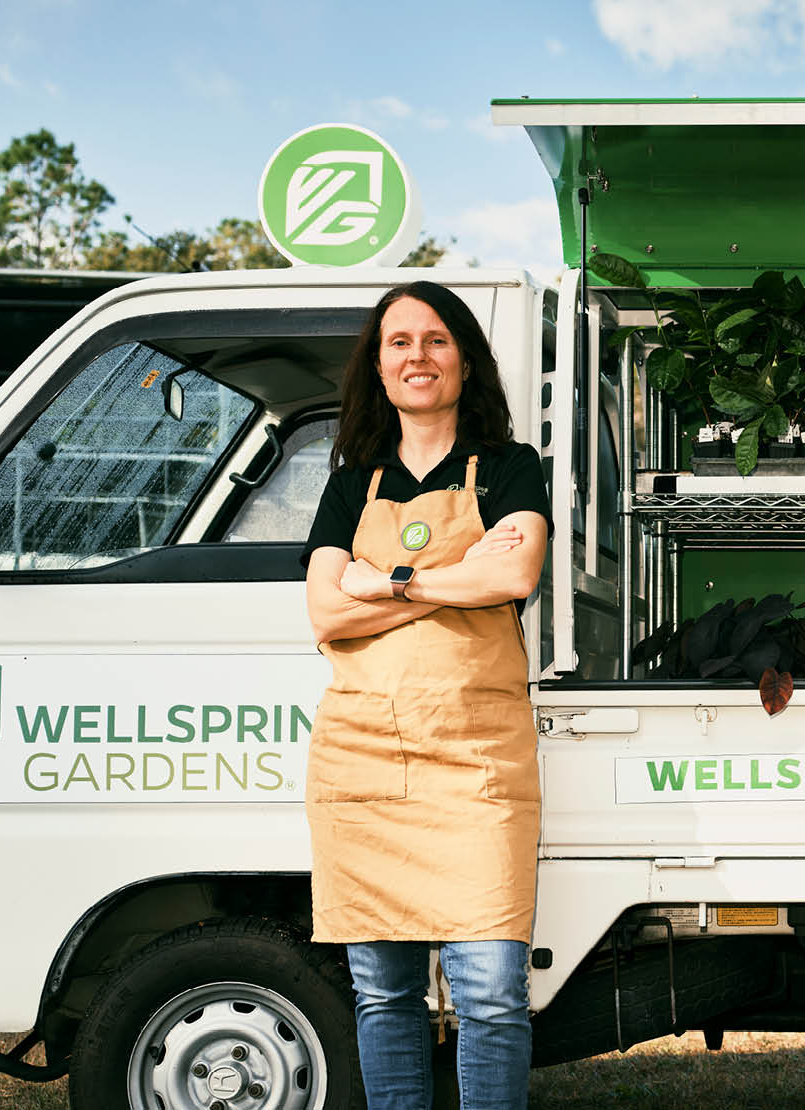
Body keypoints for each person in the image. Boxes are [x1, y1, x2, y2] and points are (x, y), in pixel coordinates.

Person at [302, 281, 551, 1109]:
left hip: (476, 765)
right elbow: (326, 612)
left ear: (466, 360)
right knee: (383, 996)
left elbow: (513, 572)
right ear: (377, 366)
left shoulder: (512, 467)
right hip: (364, 761)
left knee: (490, 997)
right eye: (399, 341)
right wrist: (455, 577)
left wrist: (391, 580)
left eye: (437, 339)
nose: (418, 356)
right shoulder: (349, 485)